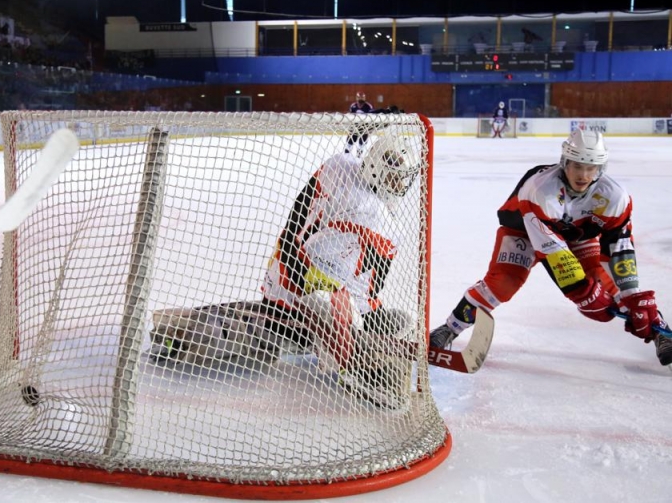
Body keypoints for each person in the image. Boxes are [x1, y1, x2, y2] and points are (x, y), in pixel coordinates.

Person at [429, 129, 671, 367]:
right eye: (577, 165)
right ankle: (449, 328)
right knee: (503, 282)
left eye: (591, 167)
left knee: (607, 282)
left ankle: (660, 331)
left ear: (601, 169)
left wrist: (633, 295)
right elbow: (553, 252)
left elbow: (620, 248)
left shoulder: (616, 197)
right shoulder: (540, 189)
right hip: (524, 229)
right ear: (565, 162)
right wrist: (583, 294)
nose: (583, 174)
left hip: (576, 234)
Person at [262, 119, 421, 407]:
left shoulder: (341, 165)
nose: (401, 186)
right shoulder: (366, 215)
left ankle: (338, 342)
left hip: (284, 275)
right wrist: (352, 323)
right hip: (297, 294)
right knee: (351, 313)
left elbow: (303, 217)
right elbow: (321, 271)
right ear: (377, 170)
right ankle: (354, 368)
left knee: (390, 320)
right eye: (395, 177)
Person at [345, 91, 374, 156]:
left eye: (362, 97)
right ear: (357, 98)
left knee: (362, 144)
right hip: (355, 126)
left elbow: (371, 117)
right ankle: (346, 155)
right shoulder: (353, 106)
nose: (361, 99)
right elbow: (351, 116)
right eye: (359, 97)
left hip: (364, 127)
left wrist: (370, 128)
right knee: (349, 143)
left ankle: (359, 156)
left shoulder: (368, 106)